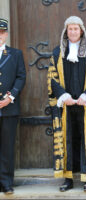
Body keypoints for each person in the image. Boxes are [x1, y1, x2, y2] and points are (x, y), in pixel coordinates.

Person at [47, 16, 86, 192]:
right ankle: (68, 179)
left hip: (85, 104)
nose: (73, 32)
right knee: (68, 141)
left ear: (82, 30)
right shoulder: (57, 52)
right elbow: (52, 79)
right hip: (67, 105)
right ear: (66, 31)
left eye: (76, 29)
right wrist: (63, 96)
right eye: (70, 29)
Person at [0, 18, 26, 194]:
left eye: (2, 32)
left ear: (7, 34)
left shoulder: (15, 54)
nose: (0, 35)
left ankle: (6, 182)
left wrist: (10, 97)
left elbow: (21, 76)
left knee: (7, 148)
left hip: (9, 107)